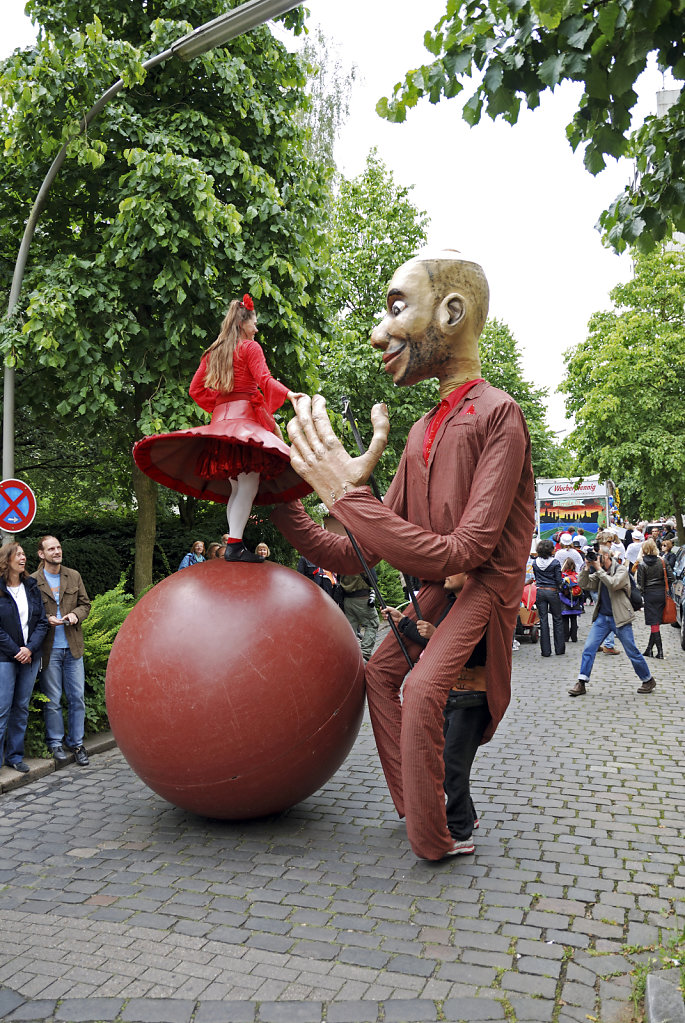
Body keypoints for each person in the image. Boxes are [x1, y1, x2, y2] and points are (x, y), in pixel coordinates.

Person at [271, 249, 535, 861]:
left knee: (419, 691)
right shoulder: (421, 431)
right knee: (382, 674)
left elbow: (468, 550)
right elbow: (356, 547)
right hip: (443, 590)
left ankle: (435, 836)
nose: (379, 332)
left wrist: (344, 492)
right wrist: (285, 494)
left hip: (482, 590)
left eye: (396, 308)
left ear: (450, 311)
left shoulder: (500, 414)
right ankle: (417, 805)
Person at [133, 294, 307, 564]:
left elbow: (195, 390)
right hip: (245, 422)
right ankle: (235, 545)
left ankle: (233, 541)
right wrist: (290, 395)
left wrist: (221, 406)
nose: (257, 329)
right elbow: (264, 379)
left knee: (237, 486)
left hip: (222, 425)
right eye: (255, 323)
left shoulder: (213, 352)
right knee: (248, 484)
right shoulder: (250, 348)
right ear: (243, 323)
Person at [383, 572, 486, 853]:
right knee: (449, 761)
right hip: (452, 695)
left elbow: (474, 653)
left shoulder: (478, 606)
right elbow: (436, 643)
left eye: (453, 570)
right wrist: (403, 622)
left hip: (472, 696)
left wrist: (437, 635)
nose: (445, 576)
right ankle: (468, 816)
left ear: (469, 574)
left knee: (453, 763)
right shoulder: (454, 603)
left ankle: (460, 834)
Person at [568, 534, 656, 697]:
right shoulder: (600, 571)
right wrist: (587, 568)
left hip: (620, 618)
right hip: (602, 618)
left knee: (632, 651)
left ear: (607, 556)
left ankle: (647, 679)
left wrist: (599, 570)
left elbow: (614, 584)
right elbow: (585, 584)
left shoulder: (621, 570)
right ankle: (581, 682)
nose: (597, 559)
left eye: (599, 556)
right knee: (589, 648)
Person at [32, 536, 92, 766]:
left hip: (73, 647)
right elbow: (29, 612)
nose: (57, 551)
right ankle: (55, 742)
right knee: (53, 700)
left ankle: (76, 743)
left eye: (58, 547)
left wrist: (75, 615)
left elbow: (86, 604)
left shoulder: (73, 575)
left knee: (77, 698)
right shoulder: (33, 580)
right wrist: (46, 619)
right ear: (41, 554)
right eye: (51, 549)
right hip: (49, 649)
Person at [0, 543, 49, 773]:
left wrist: (29, 649)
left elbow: (41, 621)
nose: (23, 558)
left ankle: (15, 756)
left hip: (30, 656)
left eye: (23, 554)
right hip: (5, 657)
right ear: (6, 559)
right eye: (18, 554)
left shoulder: (31, 585)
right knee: (2, 708)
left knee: (21, 707)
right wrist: (16, 651)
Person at [636, 538, 673, 659]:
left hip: (649, 595)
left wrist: (641, 597)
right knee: (655, 622)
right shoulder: (662, 561)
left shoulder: (642, 565)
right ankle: (649, 650)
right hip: (661, 594)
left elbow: (640, 585)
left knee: (654, 623)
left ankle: (660, 652)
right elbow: (671, 577)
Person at [531, 539, 565, 657]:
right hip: (552, 591)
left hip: (540, 591)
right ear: (550, 550)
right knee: (557, 619)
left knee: (543, 620)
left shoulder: (535, 563)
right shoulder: (555, 563)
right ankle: (559, 648)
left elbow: (536, 577)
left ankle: (545, 651)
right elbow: (558, 580)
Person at [339, 573, 379, 662]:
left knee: (350, 628)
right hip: (362, 598)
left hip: (347, 600)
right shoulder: (360, 561)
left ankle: (348, 655)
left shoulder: (342, 562)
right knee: (373, 623)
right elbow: (374, 580)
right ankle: (365, 653)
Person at [559, 557, 584, 643]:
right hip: (575, 600)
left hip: (564, 600)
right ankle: (574, 637)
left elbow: (560, 588)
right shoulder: (577, 575)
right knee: (574, 620)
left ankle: (565, 637)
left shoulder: (563, 576)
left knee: (565, 620)